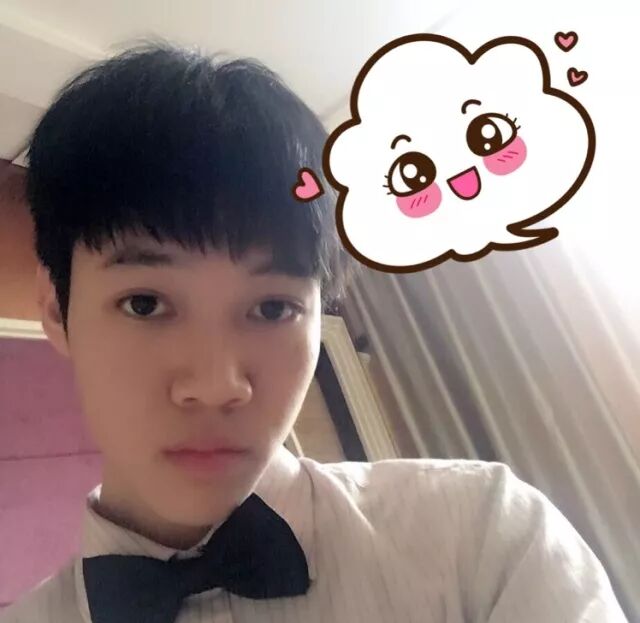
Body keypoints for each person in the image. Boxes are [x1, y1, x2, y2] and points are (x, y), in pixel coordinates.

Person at [0, 38, 628, 622]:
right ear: (57, 311)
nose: (217, 385)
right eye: (145, 303)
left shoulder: (481, 536)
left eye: (273, 308)